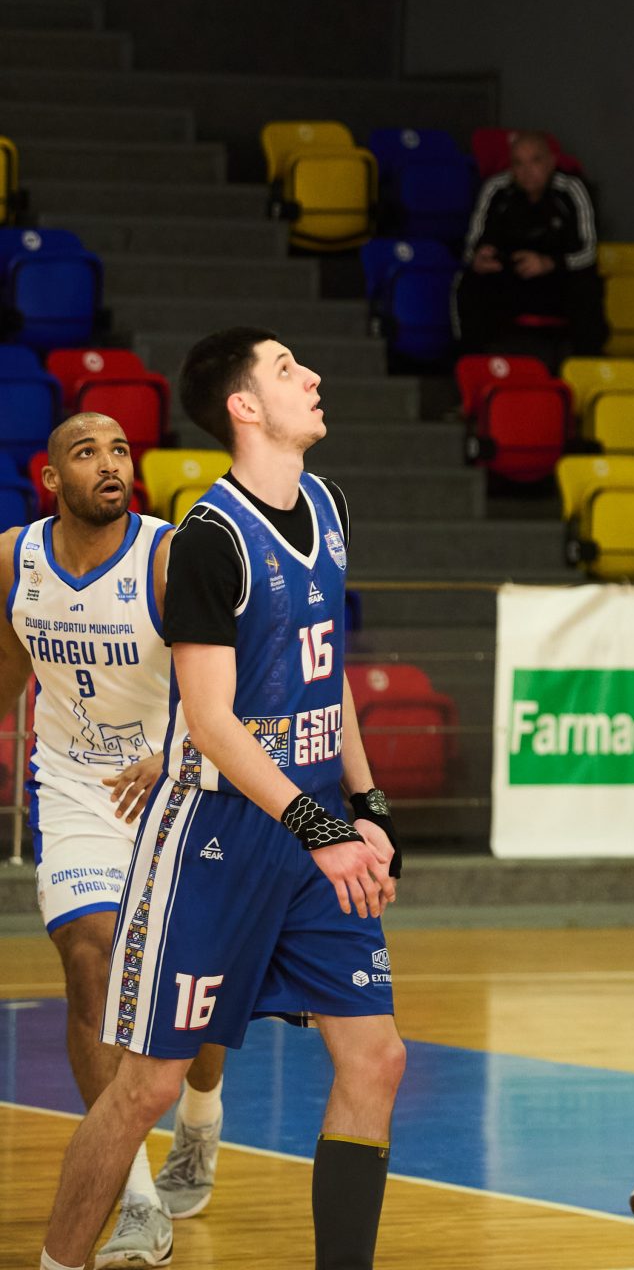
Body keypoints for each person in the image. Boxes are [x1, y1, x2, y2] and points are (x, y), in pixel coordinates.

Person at [35, 329, 406, 1270]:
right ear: (244, 407)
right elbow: (208, 721)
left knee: (377, 1058)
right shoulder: (209, 537)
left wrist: (368, 805)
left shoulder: (329, 503)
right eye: (286, 369)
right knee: (148, 1086)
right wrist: (320, 826)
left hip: (313, 832)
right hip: (216, 835)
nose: (311, 376)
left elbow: (328, 672)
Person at [0, 412, 227, 1267]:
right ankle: (133, 1196)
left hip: (178, 786)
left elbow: (233, 683)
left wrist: (177, 752)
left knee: (188, 991)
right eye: (86, 451)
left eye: (121, 450)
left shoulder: (169, 556)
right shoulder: (14, 559)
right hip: (75, 792)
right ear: (50, 477)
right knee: (90, 959)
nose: (110, 463)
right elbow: (8, 669)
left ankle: (200, 1118)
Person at [457, 130, 602, 356]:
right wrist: (478, 258)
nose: (527, 171)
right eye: (518, 163)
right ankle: (475, 362)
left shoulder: (571, 189)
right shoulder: (496, 188)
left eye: (535, 161)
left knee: (587, 287)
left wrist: (548, 263)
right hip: (510, 274)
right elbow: (470, 247)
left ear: (551, 162)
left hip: (557, 276)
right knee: (469, 282)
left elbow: (588, 252)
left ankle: (587, 363)